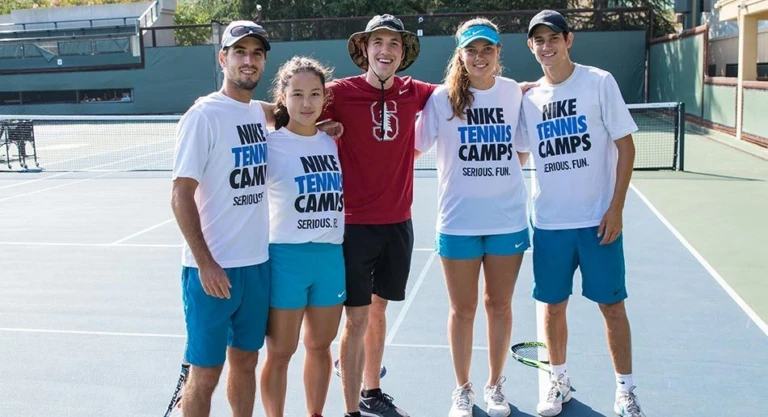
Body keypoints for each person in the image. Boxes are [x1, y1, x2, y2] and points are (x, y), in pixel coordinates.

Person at [517, 10, 646, 417]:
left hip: (598, 221)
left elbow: (626, 147)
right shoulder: (528, 99)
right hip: (551, 225)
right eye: (538, 40)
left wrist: (616, 208)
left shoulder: (599, 82)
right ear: (531, 46)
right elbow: (517, 156)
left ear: (568, 40)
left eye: (553, 38)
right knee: (553, 307)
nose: (546, 46)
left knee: (612, 307)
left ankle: (625, 391)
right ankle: (559, 381)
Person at [322, 14, 436, 417]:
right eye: (378, 43)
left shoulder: (414, 91)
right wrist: (324, 125)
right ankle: (351, 407)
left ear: (402, 54)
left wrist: (524, 88)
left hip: (398, 223)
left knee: (379, 309)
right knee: (355, 319)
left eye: (394, 44)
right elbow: (291, 110)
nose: (386, 50)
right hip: (353, 225)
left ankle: (371, 391)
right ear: (364, 50)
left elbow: (463, 90)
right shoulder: (335, 93)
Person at [415, 18, 529, 417]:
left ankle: (495, 385)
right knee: (462, 311)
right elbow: (410, 149)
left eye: (487, 49)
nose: (479, 57)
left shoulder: (513, 93)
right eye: (471, 50)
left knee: (500, 305)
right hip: (458, 222)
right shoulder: (441, 100)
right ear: (460, 55)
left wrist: (498, 182)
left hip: (508, 222)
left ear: (498, 53)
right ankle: (462, 389)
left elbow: (522, 148)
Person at [169, 20, 272, 417]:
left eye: (256, 53)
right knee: (205, 373)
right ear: (223, 58)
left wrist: (318, 124)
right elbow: (180, 195)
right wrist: (206, 262)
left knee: (246, 363)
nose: (249, 60)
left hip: (256, 266)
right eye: (240, 52)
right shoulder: (203, 116)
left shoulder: (257, 113)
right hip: (210, 272)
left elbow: (286, 112)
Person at [258, 56, 345, 417]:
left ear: (325, 98)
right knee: (280, 352)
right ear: (282, 96)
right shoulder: (269, 144)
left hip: (328, 257)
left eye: (314, 94)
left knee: (321, 347)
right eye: (296, 94)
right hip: (285, 258)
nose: (306, 103)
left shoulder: (331, 139)